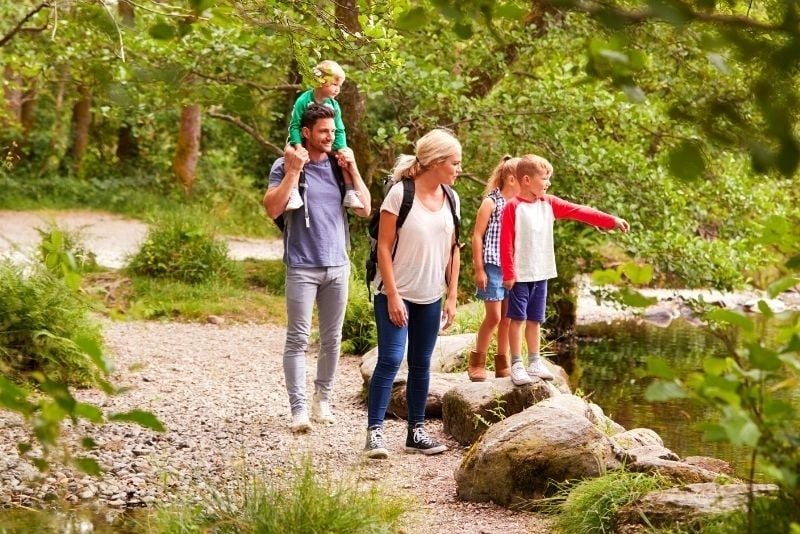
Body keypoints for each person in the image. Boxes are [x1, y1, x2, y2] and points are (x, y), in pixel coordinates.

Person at [263, 103, 371, 433]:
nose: (330, 136)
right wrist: (295, 171)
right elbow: (272, 208)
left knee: (332, 339)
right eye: (323, 131)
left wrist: (353, 169)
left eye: (333, 130)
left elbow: (366, 209)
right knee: (297, 339)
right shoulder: (284, 165)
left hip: (337, 265)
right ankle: (298, 410)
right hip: (301, 266)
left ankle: (322, 398)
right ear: (306, 133)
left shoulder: (340, 168)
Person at [364, 128, 462, 459]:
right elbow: (384, 247)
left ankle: (415, 433)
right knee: (391, 357)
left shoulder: (451, 198)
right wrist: (392, 295)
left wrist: (451, 295)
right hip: (396, 291)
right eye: (455, 163)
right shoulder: (400, 194)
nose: (458, 169)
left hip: (431, 295)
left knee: (421, 362)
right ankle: (375, 433)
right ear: (436, 162)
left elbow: (453, 249)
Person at [500, 154, 629, 386]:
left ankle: (535, 362)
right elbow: (505, 242)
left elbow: (578, 211)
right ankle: (517, 364)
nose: (548, 182)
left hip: (542, 273)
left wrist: (610, 220)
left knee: (535, 320)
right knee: (516, 319)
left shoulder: (548, 204)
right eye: (545, 177)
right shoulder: (512, 207)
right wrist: (508, 273)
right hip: (520, 275)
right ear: (527, 180)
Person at [285, 60, 364, 211]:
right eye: (334, 84)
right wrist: (299, 146)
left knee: (345, 155)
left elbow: (339, 129)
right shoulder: (303, 100)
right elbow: (294, 125)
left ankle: (349, 191)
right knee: (290, 152)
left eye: (340, 86)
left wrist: (341, 148)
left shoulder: (334, 105)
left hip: (327, 140)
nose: (338, 89)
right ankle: (294, 192)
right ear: (321, 81)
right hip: (302, 140)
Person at [468, 155, 521, 382]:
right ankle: (477, 363)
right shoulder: (491, 202)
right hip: (492, 267)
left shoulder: (520, 204)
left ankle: (502, 363)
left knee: (508, 318)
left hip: (513, 268)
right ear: (511, 179)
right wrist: (479, 269)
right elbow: (477, 237)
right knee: (494, 317)